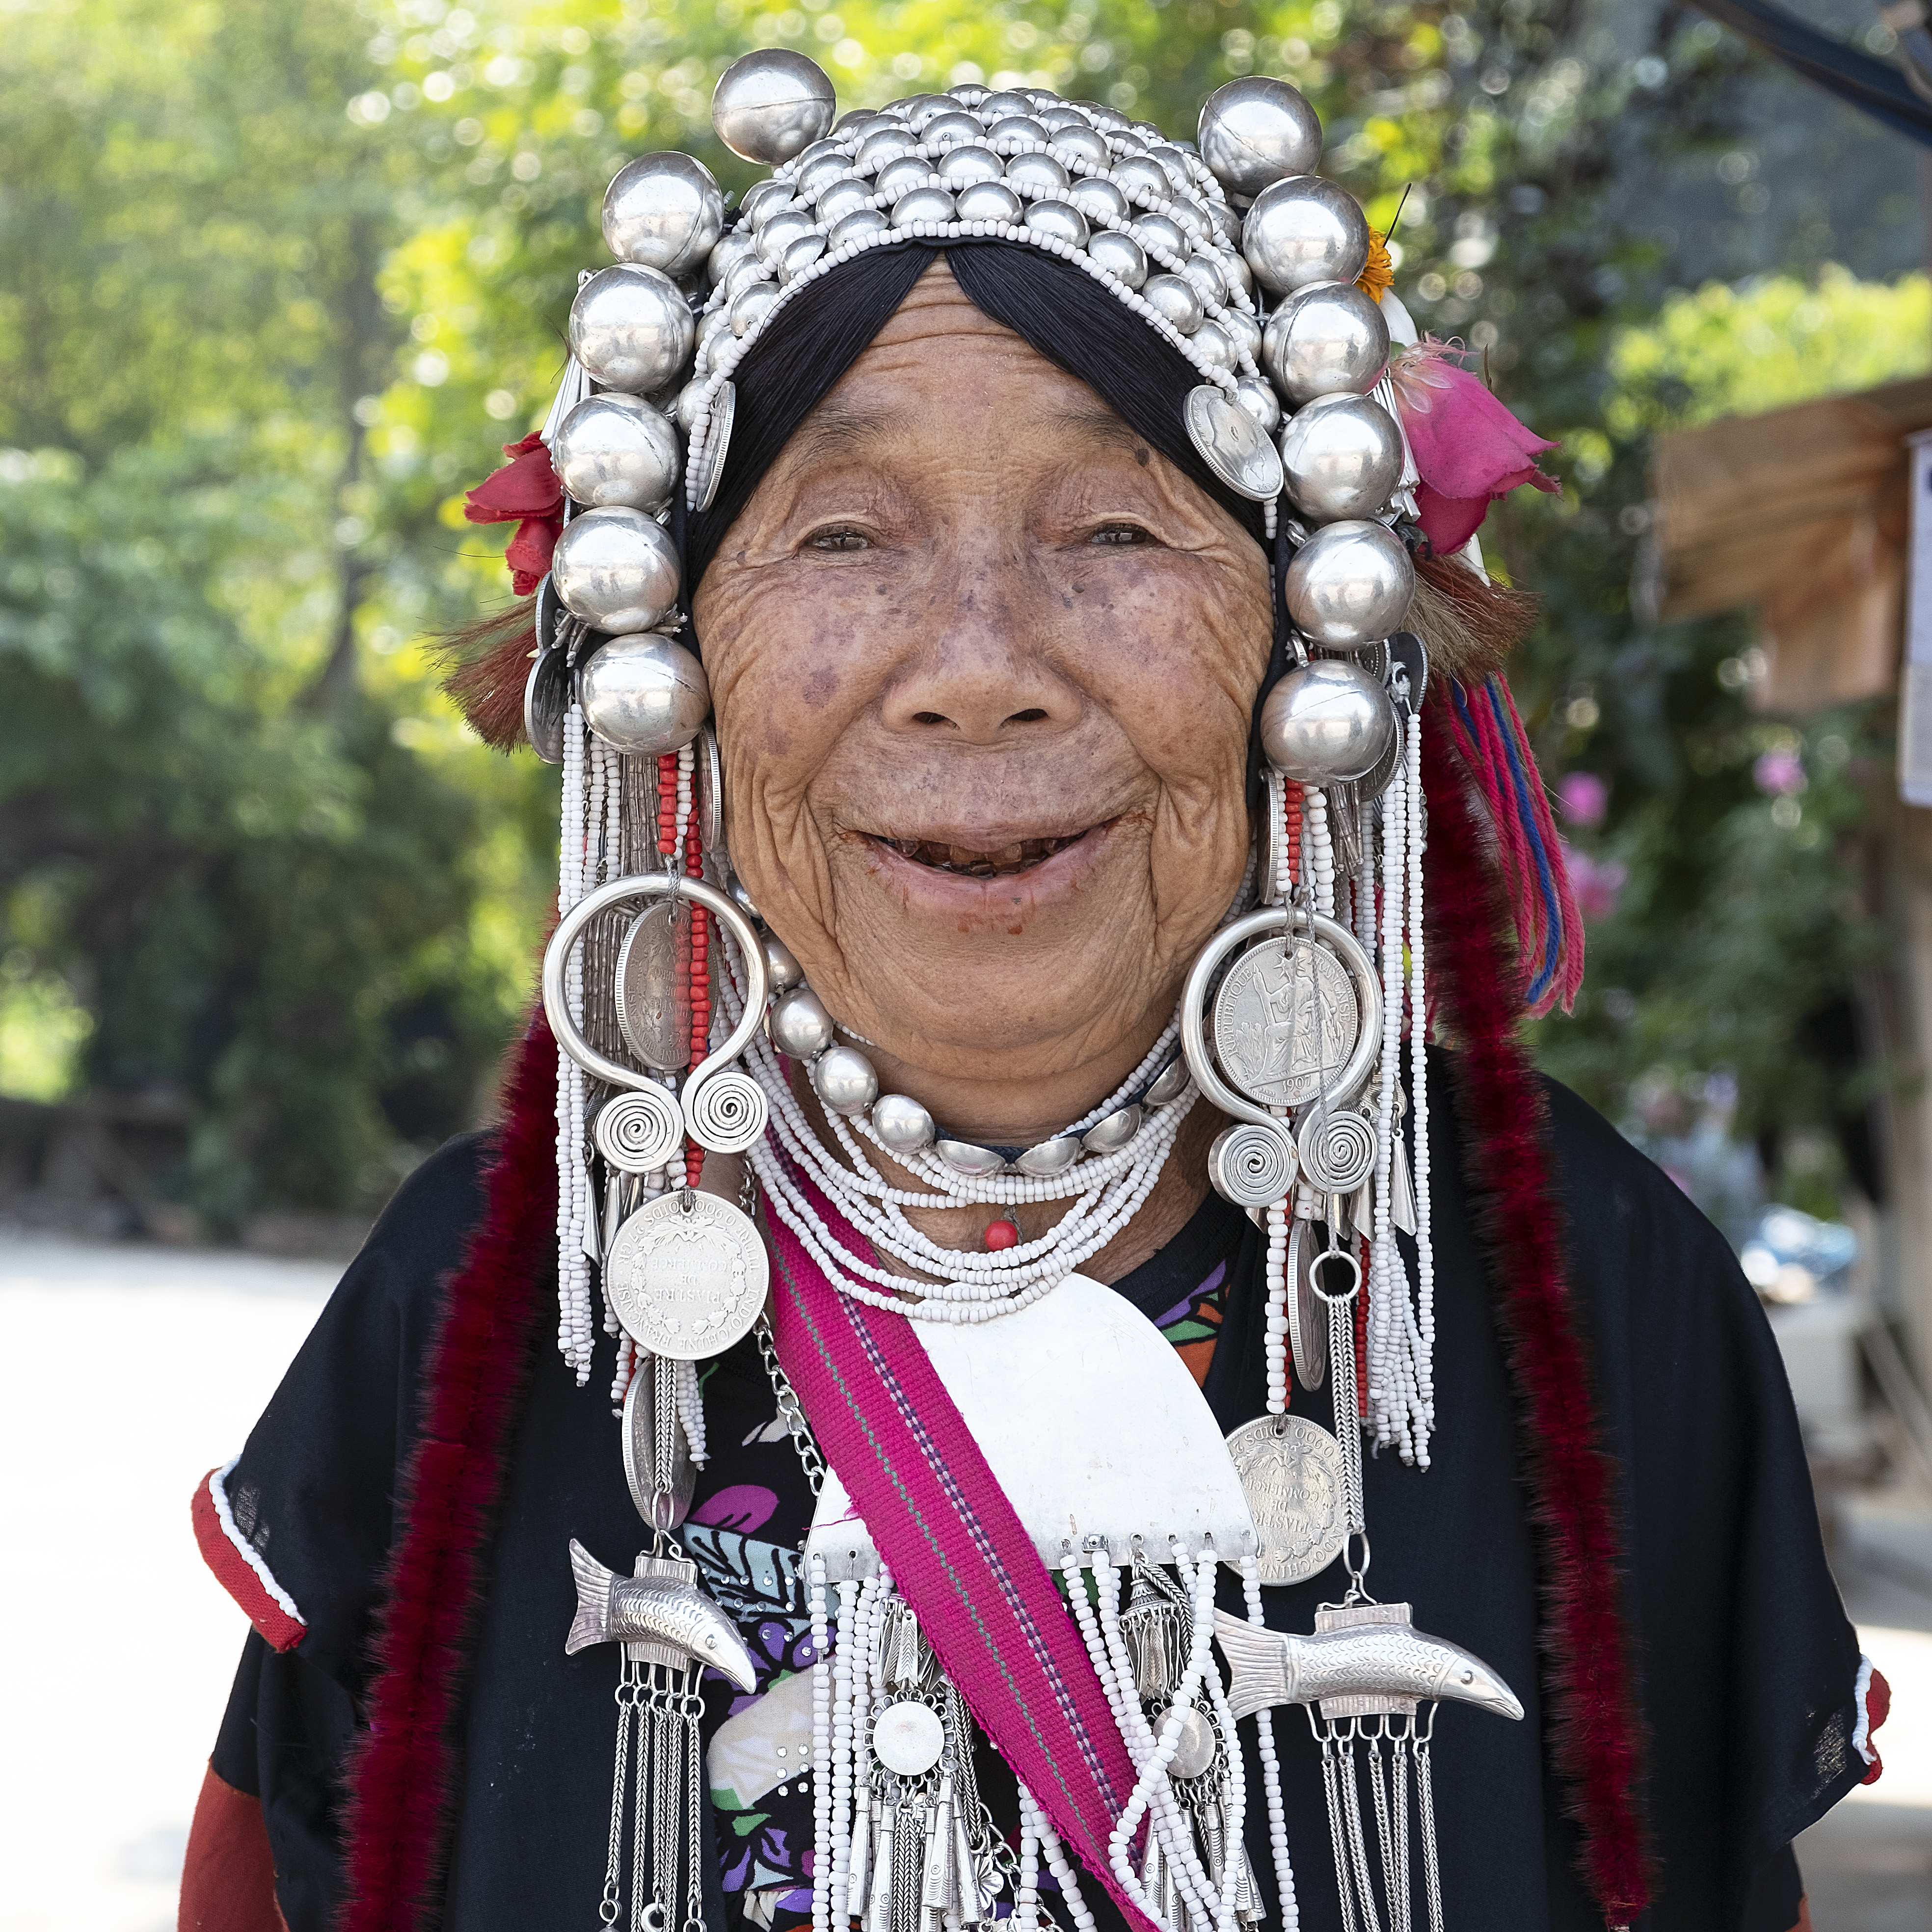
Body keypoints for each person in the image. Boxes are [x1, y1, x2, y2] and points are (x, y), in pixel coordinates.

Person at [180, 53, 1883, 1932]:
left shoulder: (1589, 1289)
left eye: (1116, 529)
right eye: (843, 537)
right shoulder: (488, 1295)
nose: (976, 670)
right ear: (678, 658)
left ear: (1299, 629)